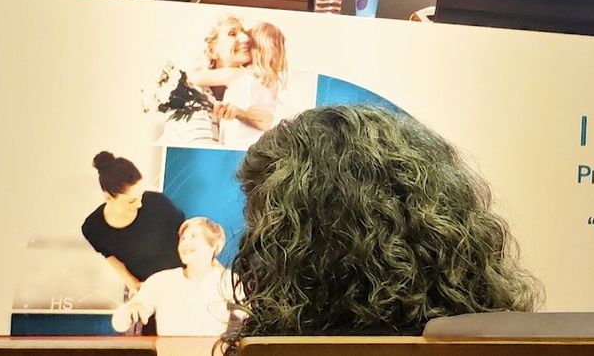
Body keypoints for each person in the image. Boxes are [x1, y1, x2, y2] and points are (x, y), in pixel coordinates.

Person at [219, 105, 542, 346]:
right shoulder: (510, 345)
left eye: (268, 226)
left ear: (313, 243)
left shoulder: (285, 348)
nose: (255, 245)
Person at [80, 151, 186, 331]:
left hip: (183, 284)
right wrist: (131, 282)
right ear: (107, 197)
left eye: (141, 195)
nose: (139, 204)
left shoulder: (158, 203)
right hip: (150, 295)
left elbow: (187, 233)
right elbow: (108, 254)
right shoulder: (92, 228)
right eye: (131, 201)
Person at [111, 216, 236, 337]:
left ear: (214, 246)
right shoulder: (162, 280)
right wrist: (131, 310)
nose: (185, 243)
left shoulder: (228, 280)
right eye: (183, 239)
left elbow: (247, 315)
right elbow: (118, 324)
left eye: (193, 237)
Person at [190, 20, 289, 149]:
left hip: (236, 146)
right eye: (233, 33)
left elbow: (194, 77)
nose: (245, 39)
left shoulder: (237, 75)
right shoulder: (271, 85)